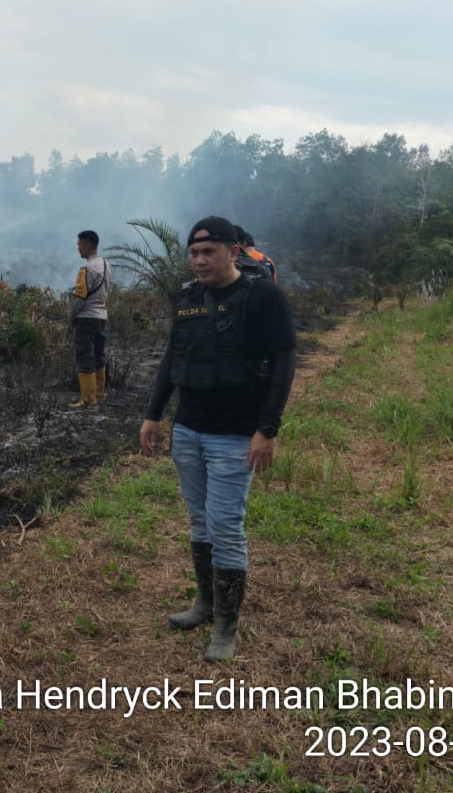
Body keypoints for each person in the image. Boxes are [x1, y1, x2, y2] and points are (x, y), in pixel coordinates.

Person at [139, 216, 296, 661]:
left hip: (234, 433)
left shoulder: (262, 296)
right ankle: (205, 604)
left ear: (233, 252)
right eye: (193, 253)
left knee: (225, 526)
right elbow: (173, 356)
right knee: (199, 522)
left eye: (208, 252)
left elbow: (284, 361)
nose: (200, 260)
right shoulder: (188, 298)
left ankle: (227, 626)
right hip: (188, 429)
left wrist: (267, 429)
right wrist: (154, 415)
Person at [68, 229, 111, 407]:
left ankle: (87, 399)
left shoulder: (86, 268)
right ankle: (99, 393)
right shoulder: (106, 264)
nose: (77, 248)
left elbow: (79, 298)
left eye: (79, 244)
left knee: (84, 354)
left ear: (86, 245)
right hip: (101, 316)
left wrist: (71, 316)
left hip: (87, 317)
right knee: (98, 354)